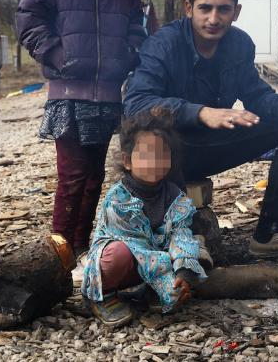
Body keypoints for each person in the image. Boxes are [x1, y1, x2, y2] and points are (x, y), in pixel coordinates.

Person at [123, 0, 278, 260]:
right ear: (189, 8)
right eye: (205, 8)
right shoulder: (164, 44)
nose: (214, 19)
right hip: (167, 153)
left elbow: (257, 96)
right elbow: (136, 104)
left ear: (236, 11)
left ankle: (270, 234)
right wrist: (201, 113)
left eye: (223, 9)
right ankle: (181, 236)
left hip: (208, 147)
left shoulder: (239, 44)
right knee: (156, 134)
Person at [16, 0, 147, 259]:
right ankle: (58, 255)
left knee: (93, 178)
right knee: (71, 178)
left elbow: (136, 26)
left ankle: (81, 248)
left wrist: (129, 53)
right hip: (69, 97)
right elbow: (28, 20)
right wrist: (57, 56)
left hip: (108, 94)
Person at [81, 108, 206, 327]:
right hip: (124, 262)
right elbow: (136, 246)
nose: (155, 162)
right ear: (127, 161)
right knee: (118, 254)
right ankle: (102, 295)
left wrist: (183, 272)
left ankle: (149, 291)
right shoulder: (118, 198)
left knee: (184, 272)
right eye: (147, 155)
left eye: (162, 155)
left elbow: (181, 233)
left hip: (152, 262)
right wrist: (166, 276)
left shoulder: (175, 196)